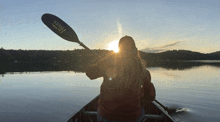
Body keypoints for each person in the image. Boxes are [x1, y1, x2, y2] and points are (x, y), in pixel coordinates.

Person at [86, 36, 156, 122]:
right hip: (133, 117)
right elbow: (151, 97)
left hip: (106, 115)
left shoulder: (108, 63)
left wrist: (101, 63)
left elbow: (90, 73)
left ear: (119, 49)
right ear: (135, 50)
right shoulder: (143, 71)